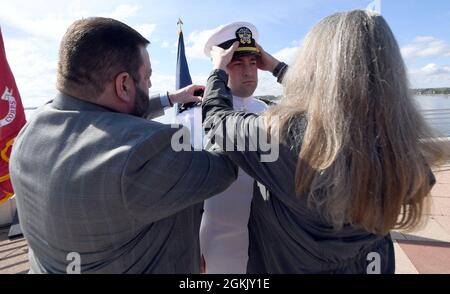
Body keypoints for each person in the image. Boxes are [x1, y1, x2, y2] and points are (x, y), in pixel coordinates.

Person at [201, 10, 448, 273]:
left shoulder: (283, 134)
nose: (249, 70)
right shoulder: (400, 149)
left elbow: (216, 120)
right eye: (238, 63)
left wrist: (217, 70)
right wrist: (276, 66)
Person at [9, 17, 238, 274]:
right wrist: (218, 79)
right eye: (147, 76)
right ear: (124, 84)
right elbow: (224, 165)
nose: (150, 84)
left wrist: (171, 98)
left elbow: (98, 116)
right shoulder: (141, 155)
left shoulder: (32, 129)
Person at [177, 21, 270, 274]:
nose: (248, 72)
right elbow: (182, 193)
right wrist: (189, 248)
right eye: (237, 64)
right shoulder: (191, 119)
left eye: (253, 63)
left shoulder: (271, 114)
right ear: (219, 65)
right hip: (214, 243)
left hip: (267, 242)